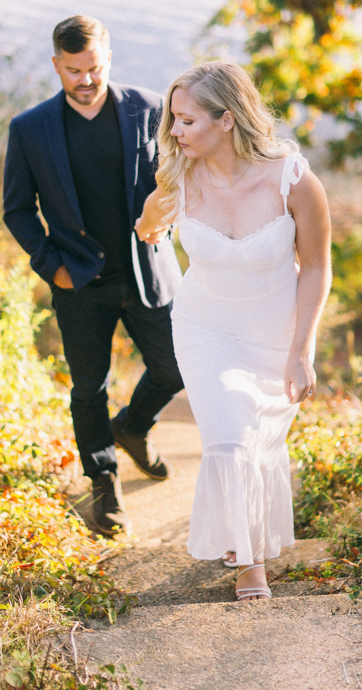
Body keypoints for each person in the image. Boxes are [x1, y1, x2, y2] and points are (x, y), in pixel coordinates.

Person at [135, 62, 331, 601]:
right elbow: (147, 230)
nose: (174, 131)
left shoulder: (292, 178)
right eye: (173, 120)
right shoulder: (179, 178)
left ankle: (242, 533)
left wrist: (302, 352)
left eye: (187, 121)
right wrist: (152, 214)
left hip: (274, 332)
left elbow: (315, 266)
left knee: (259, 439)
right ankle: (251, 565)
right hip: (204, 327)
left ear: (227, 119)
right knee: (227, 439)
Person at [3, 15, 184, 536]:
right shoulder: (30, 129)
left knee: (174, 370)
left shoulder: (150, 109)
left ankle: (131, 428)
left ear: (108, 59)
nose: (86, 80)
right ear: (57, 64)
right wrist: (51, 267)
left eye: (95, 68)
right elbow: (17, 210)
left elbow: (179, 180)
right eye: (74, 70)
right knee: (88, 389)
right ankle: (104, 484)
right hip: (79, 283)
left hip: (149, 271)